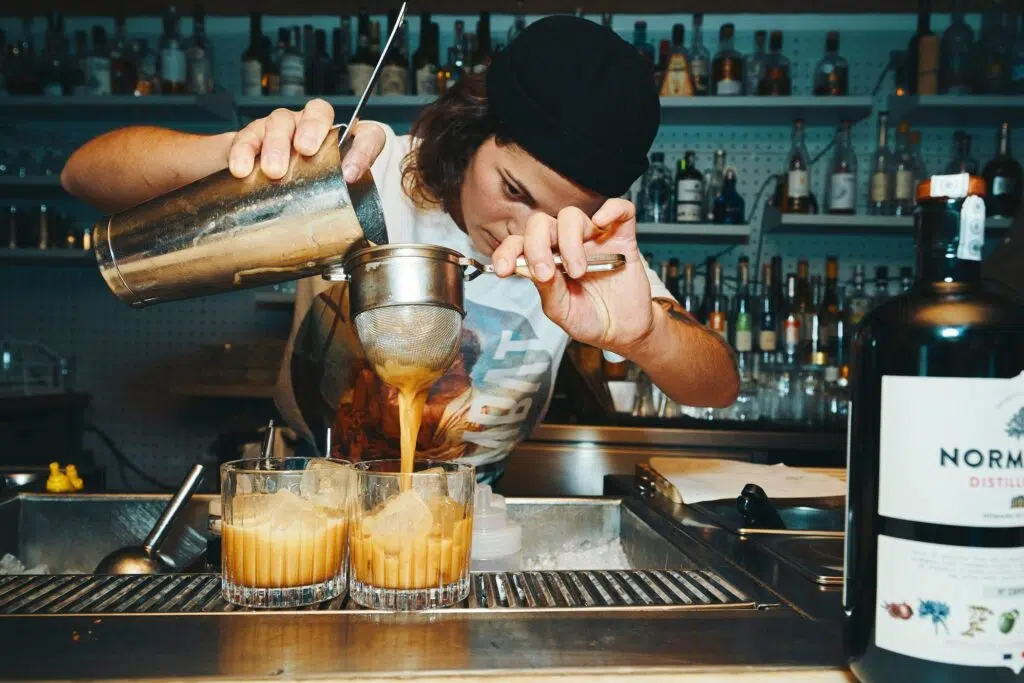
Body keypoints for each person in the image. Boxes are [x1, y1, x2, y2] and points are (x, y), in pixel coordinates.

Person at [61, 16, 739, 484]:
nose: (523, 233)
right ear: (472, 132)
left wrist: (647, 335)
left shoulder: (586, 250)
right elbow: (82, 175)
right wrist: (235, 156)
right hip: (307, 488)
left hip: (469, 515)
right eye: (512, 189)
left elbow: (717, 384)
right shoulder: (366, 170)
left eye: (562, 213)